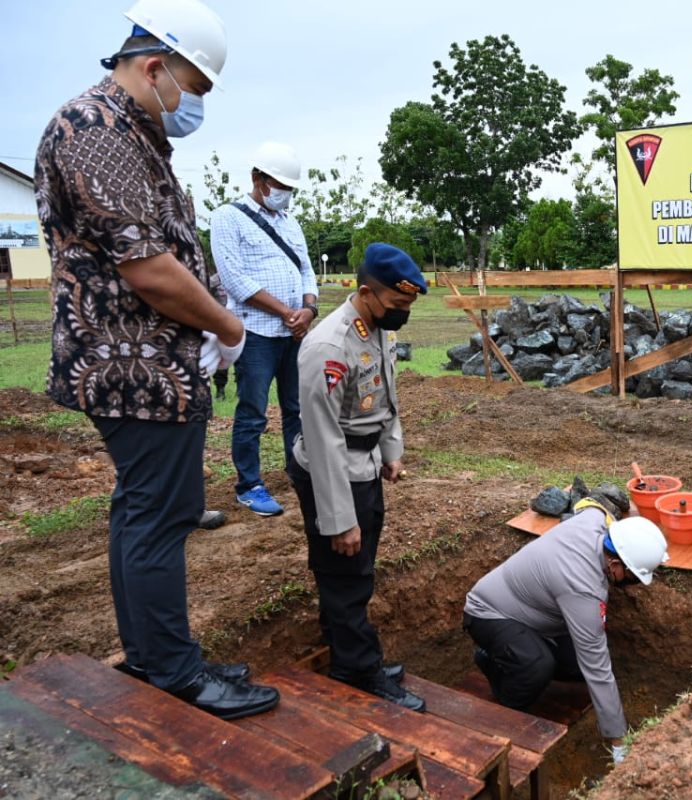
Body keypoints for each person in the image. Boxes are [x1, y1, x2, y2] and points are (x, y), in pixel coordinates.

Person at [34, 0, 278, 719]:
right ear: (154, 66)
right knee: (162, 517)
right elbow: (147, 267)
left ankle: (155, 655)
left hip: (143, 361)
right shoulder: (99, 131)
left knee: (143, 512)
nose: (192, 103)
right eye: (193, 88)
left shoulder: (126, 133)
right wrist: (229, 325)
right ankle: (173, 672)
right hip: (131, 364)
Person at [288, 243, 426, 710]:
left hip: (363, 465)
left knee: (355, 566)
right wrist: (340, 517)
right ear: (367, 293)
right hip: (332, 471)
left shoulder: (377, 329)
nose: (402, 314)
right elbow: (322, 435)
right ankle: (358, 669)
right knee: (345, 571)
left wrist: (391, 452)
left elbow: (385, 396)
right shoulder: (328, 346)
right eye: (397, 304)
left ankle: (345, 652)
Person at [464, 499, 669, 765]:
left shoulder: (595, 524)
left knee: (574, 666)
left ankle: (520, 654)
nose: (634, 585)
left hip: (532, 613)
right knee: (538, 666)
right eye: (633, 577)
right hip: (489, 613)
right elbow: (597, 667)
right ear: (615, 564)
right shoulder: (582, 589)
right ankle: (499, 680)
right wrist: (619, 741)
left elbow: (593, 506)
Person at [211, 142, 317, 517]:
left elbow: (306, 269)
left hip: (294, 334)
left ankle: (300, 470)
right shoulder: (228, 217)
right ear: (257, 178)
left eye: (291, 188)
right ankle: (249, 485)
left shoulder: (290, 223)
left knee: (297, 408)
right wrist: (287, 311)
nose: (285, 194)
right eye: (279, 185)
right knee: (253, 411)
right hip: (255, 334)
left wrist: (308, 309)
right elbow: (234, 279)